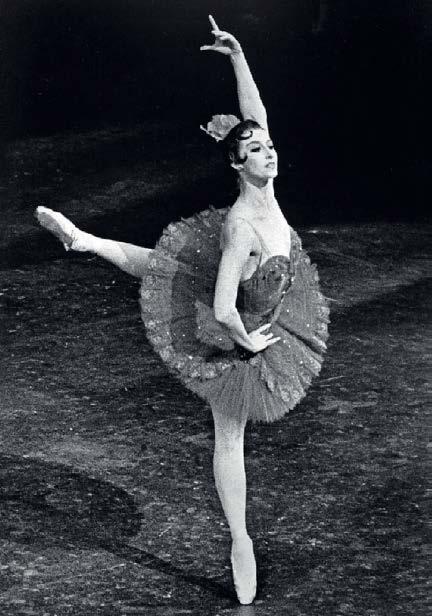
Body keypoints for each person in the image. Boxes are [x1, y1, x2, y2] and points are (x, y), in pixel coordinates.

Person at [36, 16, 329, 605]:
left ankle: (86, 241)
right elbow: (221, 310)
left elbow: (255, 116)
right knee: (230, 434)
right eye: (256, 150)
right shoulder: (241, 226)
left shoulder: (266, 188)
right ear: (237, 165)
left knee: (167, 267)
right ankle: (240, 540)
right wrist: (248, 344)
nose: (269, 153)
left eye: (269, 146)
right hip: (232, 324)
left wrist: (238, 58)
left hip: (257, 295)